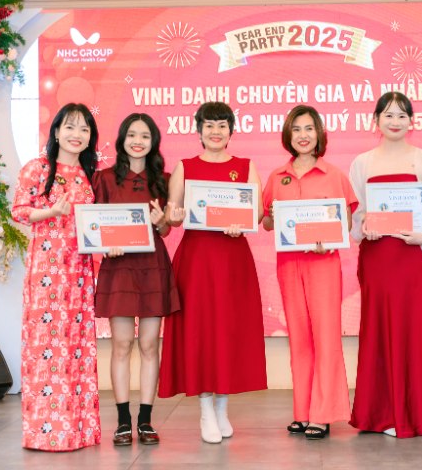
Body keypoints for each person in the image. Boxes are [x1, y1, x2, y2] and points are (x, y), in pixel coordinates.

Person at [157, 101, 267, 444]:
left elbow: (257, 211)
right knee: (201, 331)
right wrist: (174, 215)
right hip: (198, 260)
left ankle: (222, 408)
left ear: (231, 130)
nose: (216, 131)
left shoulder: (245, 166)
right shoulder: (185, 166)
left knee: (229, 331)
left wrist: (242, 221)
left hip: (233, 259)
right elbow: (173, 214)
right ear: (199, 130)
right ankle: (205, 409)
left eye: (222, 125)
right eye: (209, 125)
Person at [348, 91, 422, 438]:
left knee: (414, 330)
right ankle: (379, 413)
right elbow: (357, 213)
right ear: (375, 120)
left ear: (412, 121)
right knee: (377, 329)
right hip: (378, 259)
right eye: (388, 115)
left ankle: (415, 414)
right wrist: (364, 227)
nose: (395, 121)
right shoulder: (362, 163)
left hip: (413, 258)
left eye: (402, 115)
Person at [261, 105, 356, 440]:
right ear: (288, 135)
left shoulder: (334, 175)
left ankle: (323, 413)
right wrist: (272, 216)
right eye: (297, 129)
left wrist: (329, 239)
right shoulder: (277, 176)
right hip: (289, 265)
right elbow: (267, 221)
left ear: (319, 134)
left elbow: (345, 221)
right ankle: (302, 411)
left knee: (325, 337)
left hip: (324, 264)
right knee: (299, 338)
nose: (303, 136)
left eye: (309, 129)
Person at [11, 103, 101, 451]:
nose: (77, 135)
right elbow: (19, 210)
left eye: (84, 129)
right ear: (56, 131)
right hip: (47, 273)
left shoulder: (90, 173)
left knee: (77, 348)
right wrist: (50, 211)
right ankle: (46, 433)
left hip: (79, 274)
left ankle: (80, 430)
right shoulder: (38, 168)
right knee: (46, 349)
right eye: (70, 127)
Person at [92, 113, 180, 447]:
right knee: (121, 344)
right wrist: (105, 244)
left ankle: (145, 419)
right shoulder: (104, 178)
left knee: (149, 345)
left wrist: (160, 222)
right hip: (119, 268)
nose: (138, 141)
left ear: (154, 141)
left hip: (152, 266)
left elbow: (166, 229)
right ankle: (122, 421)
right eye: (132, 135)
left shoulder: (164, 180)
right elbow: (93, 224)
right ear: (122, 139)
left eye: (145, 135)